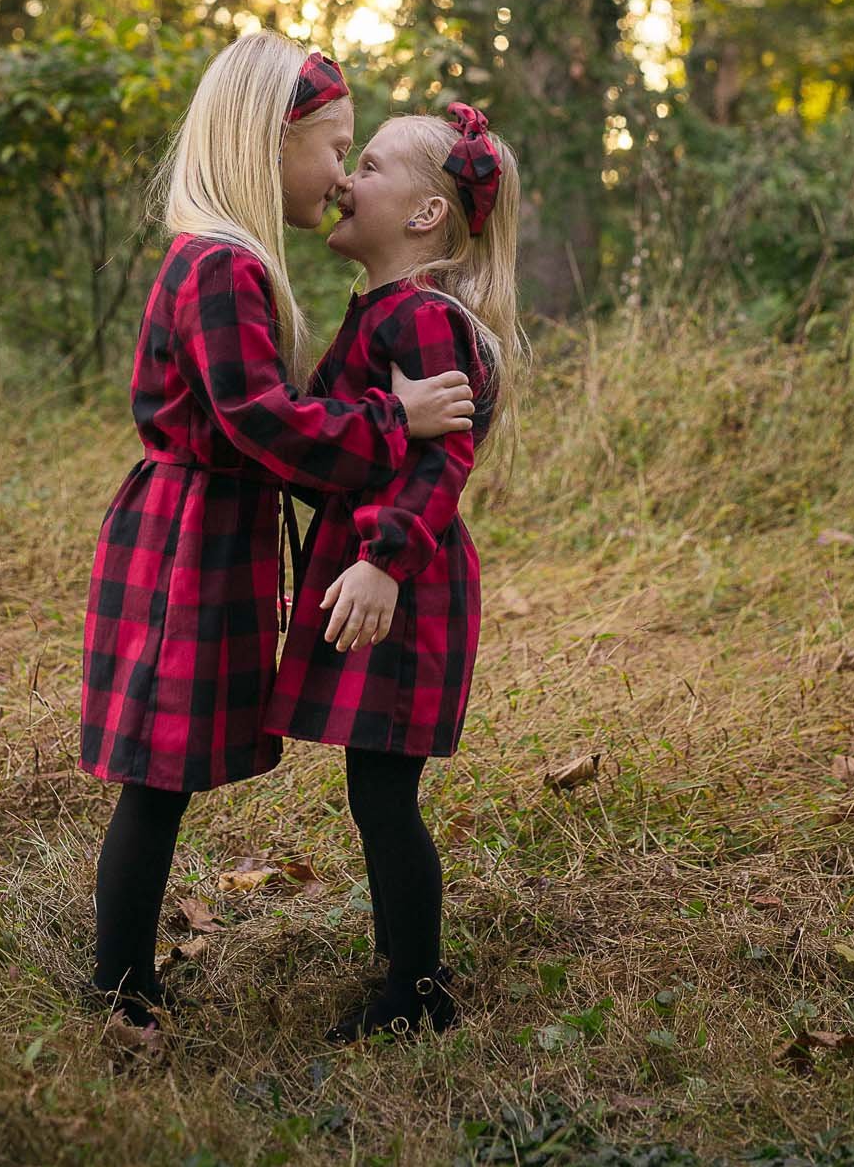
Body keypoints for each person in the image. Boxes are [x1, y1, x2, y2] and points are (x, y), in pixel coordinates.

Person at [79, 33, 475, 1030]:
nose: (341, 176)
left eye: (358, 155)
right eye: (335, 147)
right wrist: (396, 420)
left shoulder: (233, 262)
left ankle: (129, 976)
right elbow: (260, 419)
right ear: (270, 142)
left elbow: (279, 416)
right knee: (156, 773)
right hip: (187, 538)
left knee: (161, 773)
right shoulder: (220, 263)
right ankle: (121, 985)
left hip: (207, 526)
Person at [263, 102, 524, 1041]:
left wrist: (379, 561)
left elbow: (438, 463)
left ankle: (416, 991)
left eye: (364, 164)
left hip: (406, 583)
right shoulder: (379, 309)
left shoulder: (424, 320)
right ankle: (405, 972)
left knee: (383, 791)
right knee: (375, 790)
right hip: (383, 574)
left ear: (423, 216)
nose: (342, 179)